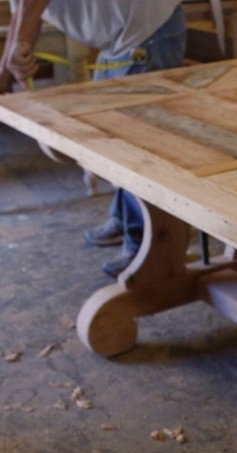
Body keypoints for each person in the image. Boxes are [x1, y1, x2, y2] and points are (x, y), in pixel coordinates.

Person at [0, 0, 186, 277]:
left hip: (148, 29)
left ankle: (146, 246)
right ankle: (125, 219)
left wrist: (20, 45)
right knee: (113, 145)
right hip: (118, 37)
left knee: (138, 151)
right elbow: (21, 15)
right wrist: (7, 66)